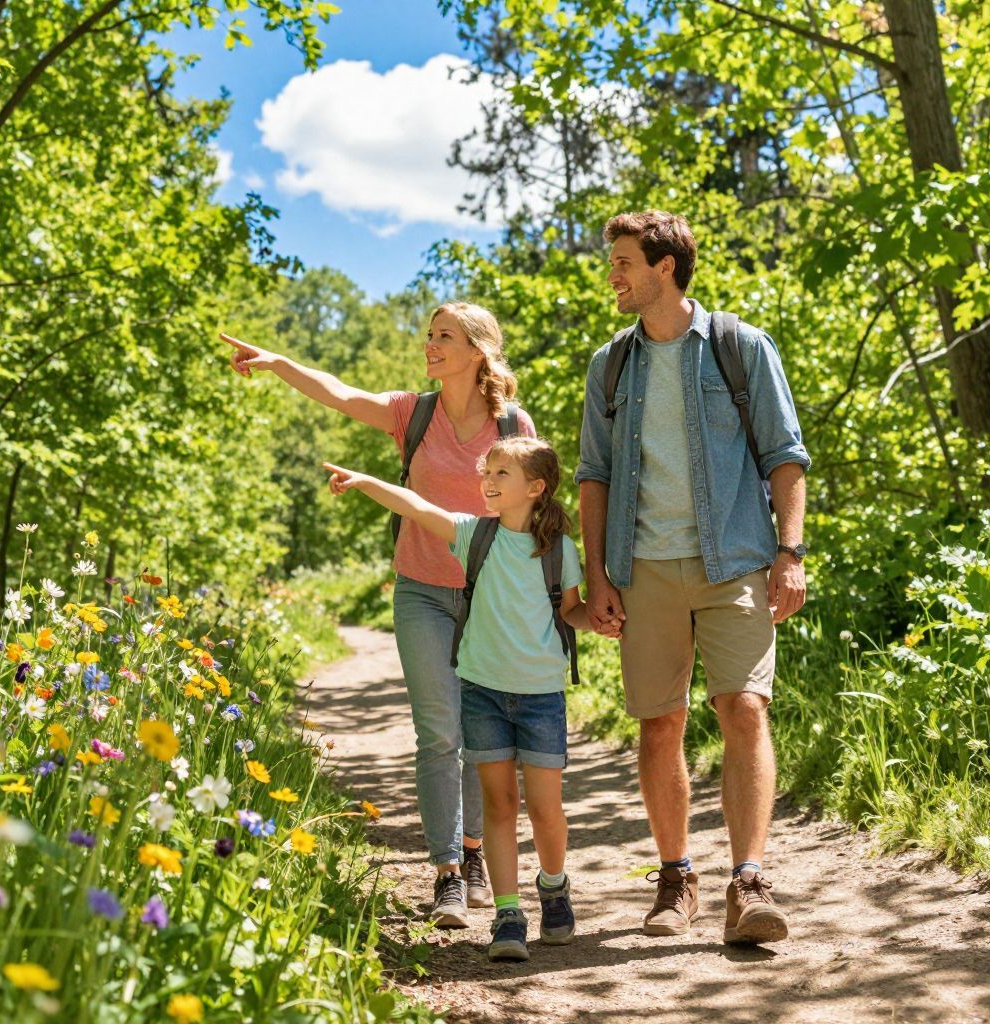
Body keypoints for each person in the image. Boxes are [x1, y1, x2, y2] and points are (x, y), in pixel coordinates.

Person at [222, 304, 537, 927]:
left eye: (444, 336)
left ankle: (477, 854)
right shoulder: (412, 413)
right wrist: (280, 362)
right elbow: (339, 393)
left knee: (482, 735)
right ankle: (447, 871)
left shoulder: (511, 423)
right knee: (439, 730)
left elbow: (531, 504)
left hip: (488, 595)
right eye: (429, 335)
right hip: (420, 589)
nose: (431, 344)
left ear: (478, 350)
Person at [576, 210, 810, 945]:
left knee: (744, 708)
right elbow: (593, 476)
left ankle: (749, 882)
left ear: (664, 267)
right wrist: (597, 576)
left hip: (735, 560)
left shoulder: (741, 347)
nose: (611, 276)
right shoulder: (611, 365)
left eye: (621, 263)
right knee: (659, 723)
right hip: (643, 569)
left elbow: (784, 455)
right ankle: (676, 878)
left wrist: (791, 552)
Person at [324, 435, 593, 962]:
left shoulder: (559, 549)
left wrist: (607, 621)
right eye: (486, 473)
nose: (487, 484)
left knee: (545, 810)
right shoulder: (475, 535)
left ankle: (554, 888)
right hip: (483, 691)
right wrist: (366, 482)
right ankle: (508, 914)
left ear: (535, 488)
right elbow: (418, 507)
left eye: (500, 476)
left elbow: (572, 611)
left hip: (541, 695)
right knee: (499, 804)